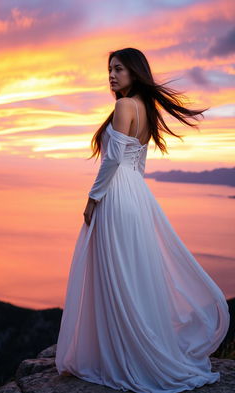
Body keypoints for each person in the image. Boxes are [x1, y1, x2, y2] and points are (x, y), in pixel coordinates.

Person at [55, 48, 230, 393]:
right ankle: (126, 351)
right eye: (109, 69)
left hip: (116, 196)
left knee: (116, 273)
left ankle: (122, 356)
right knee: (130, 272)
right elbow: (137, 165)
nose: (111, 75)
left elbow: (113, 160)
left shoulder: (123, 106)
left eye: (118, 69)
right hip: (136, 195)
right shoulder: (144, 109)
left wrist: (92, 199)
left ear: (135, 72)